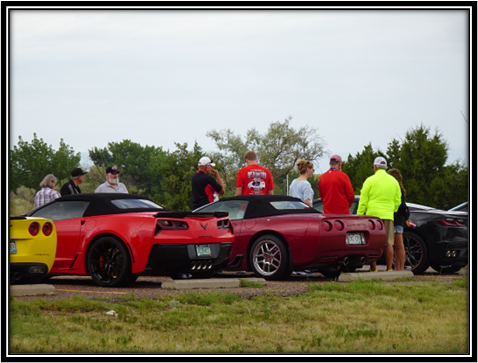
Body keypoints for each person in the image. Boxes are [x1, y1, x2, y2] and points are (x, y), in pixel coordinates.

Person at [357, 157, 401, 272]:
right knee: (388, 243)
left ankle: (373, 268)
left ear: (375, 167)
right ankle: (389, 268)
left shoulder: (370, 180)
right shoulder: (394, 181)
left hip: (373, 216)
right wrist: (392, 209)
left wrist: (360, 215)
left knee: (373, 243)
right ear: (385, 167)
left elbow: (363, 200)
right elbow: (398, 200)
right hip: (388, 214)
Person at [388, 168, 412, 271]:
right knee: (397, 246)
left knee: (398, 246)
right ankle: (398, 267)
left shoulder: (396, 190)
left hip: (396, 219)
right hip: (398, 219)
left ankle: (400, 268)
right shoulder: (400, 190)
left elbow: (402, 206)